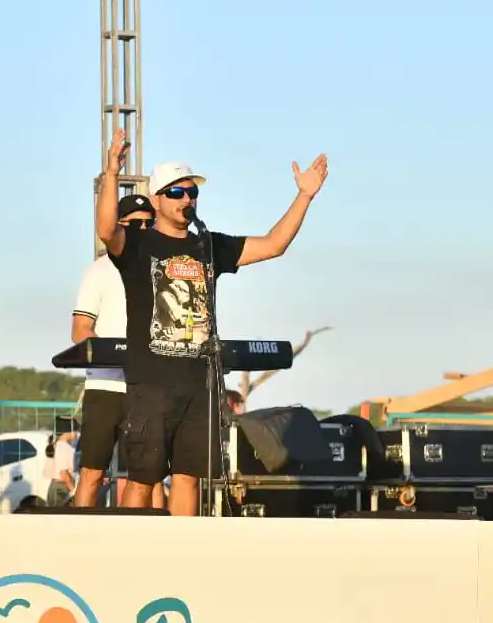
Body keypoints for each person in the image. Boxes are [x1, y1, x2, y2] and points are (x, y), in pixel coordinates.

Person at [94, 129, 328, 516]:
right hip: (152, 381)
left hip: (198, 380)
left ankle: (182, 553)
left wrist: (304, 196)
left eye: (192, 192)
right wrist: (111, 173)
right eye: (176, 192)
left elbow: (273, 245)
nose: (187, 199)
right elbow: (106, 230)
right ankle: (130, 552)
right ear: (157, 199)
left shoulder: (207, 244)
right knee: (143, 478)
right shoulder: (138, 245)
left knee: (189, 477)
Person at [71, 193, 166, 509]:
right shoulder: (98, 270)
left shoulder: (161, 270)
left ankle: (149, 545)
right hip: (106, 385)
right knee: (92, 473)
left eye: (147, 223)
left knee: (147, 476)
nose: (143, 228)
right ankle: (78, 538)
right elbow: (80, 331)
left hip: (148, 387)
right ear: (120, 227)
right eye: (134, 224)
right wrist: (114, 351)